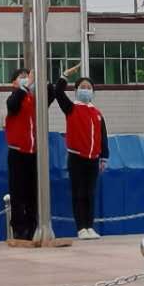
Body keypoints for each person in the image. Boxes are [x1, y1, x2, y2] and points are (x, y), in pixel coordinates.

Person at [51, 63, 109, 239]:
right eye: (83, 87)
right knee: (79, 193)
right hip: (76, 157)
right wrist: (65, 76)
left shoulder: (97, 113)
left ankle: (90, 226)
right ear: (76, 91)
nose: (86, 90)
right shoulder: (71, 108)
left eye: (89, 87)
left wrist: (104, 157)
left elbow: (103, 136)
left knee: (90, 194)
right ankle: (81, 227)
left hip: (93, 158)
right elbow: (58, 92)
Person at [3, 67, 39, 241]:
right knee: (18, 192)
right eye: (22, 77)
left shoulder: (34, 99)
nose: (27, 79)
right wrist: (25, 86)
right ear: (14, 82)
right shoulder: (14, 97)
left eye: (28, 76)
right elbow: (12, 105)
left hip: (33, 152)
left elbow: (51, 94)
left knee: (33, 192)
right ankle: (19, 228)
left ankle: (33, 227)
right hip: (17, 152)